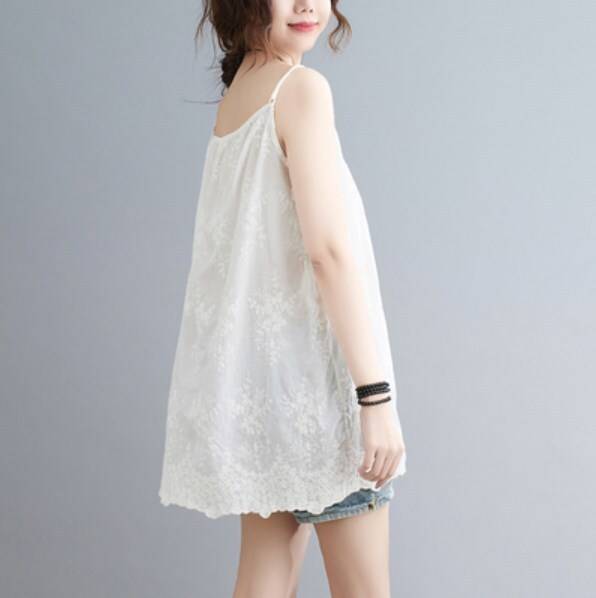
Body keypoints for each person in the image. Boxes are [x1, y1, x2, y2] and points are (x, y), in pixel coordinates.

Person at [158, 1, 408, 596]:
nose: (306, 5)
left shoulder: (241, 93)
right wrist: (374, 399)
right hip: (321, 396)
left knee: (261, 585)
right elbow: (328, 253)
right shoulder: (300, 90)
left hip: (263, 398)